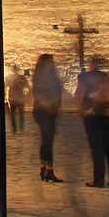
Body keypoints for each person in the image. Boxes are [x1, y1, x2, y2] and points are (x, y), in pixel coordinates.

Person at [75, 55, 109, 188]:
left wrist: (79, 108)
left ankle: (98, 179)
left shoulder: (86, 77)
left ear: (93, 65)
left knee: (97, 148)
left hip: (93, 114)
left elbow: (80, 92)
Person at [32, 54, 63, 183]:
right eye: (50, 61)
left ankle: (44, 168)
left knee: (46, 140)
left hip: (48, 110)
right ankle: (49, 170)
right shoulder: (40, 75)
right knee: (47, 140)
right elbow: (38, 93)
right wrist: (49, 105)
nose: (52, 63)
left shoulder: (49, 75)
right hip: (43, 111)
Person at [5, 66, 30, 134]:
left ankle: (14, 130)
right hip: (20, 98)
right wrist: (26, 96)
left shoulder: (9, 78)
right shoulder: (22, 78)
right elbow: (27, 88)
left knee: (13, 115)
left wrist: (6, 98)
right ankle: (21, 129)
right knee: (21, 115)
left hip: (12, 98)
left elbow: (5, 87)